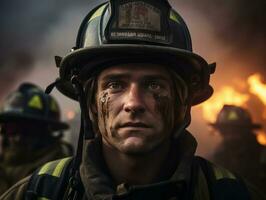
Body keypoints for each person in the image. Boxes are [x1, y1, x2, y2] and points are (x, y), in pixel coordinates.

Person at [1, 0, 265, 199]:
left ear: (181, 103)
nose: (134, 103)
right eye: (115, 84)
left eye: (154, 85)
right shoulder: (40, 192)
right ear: (91, 102)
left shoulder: (230, 193)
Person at [0, 83, 73, 195]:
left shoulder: (61, 177)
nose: (18, 137)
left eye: (28, 130)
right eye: (12, 128)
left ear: (48, 133)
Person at [210, 104, 266, 195]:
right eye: (227, 130)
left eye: (237, 130)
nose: (231, 136)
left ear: (247, 131)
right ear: (220, 131)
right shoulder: (213, 160)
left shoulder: (263, 156)